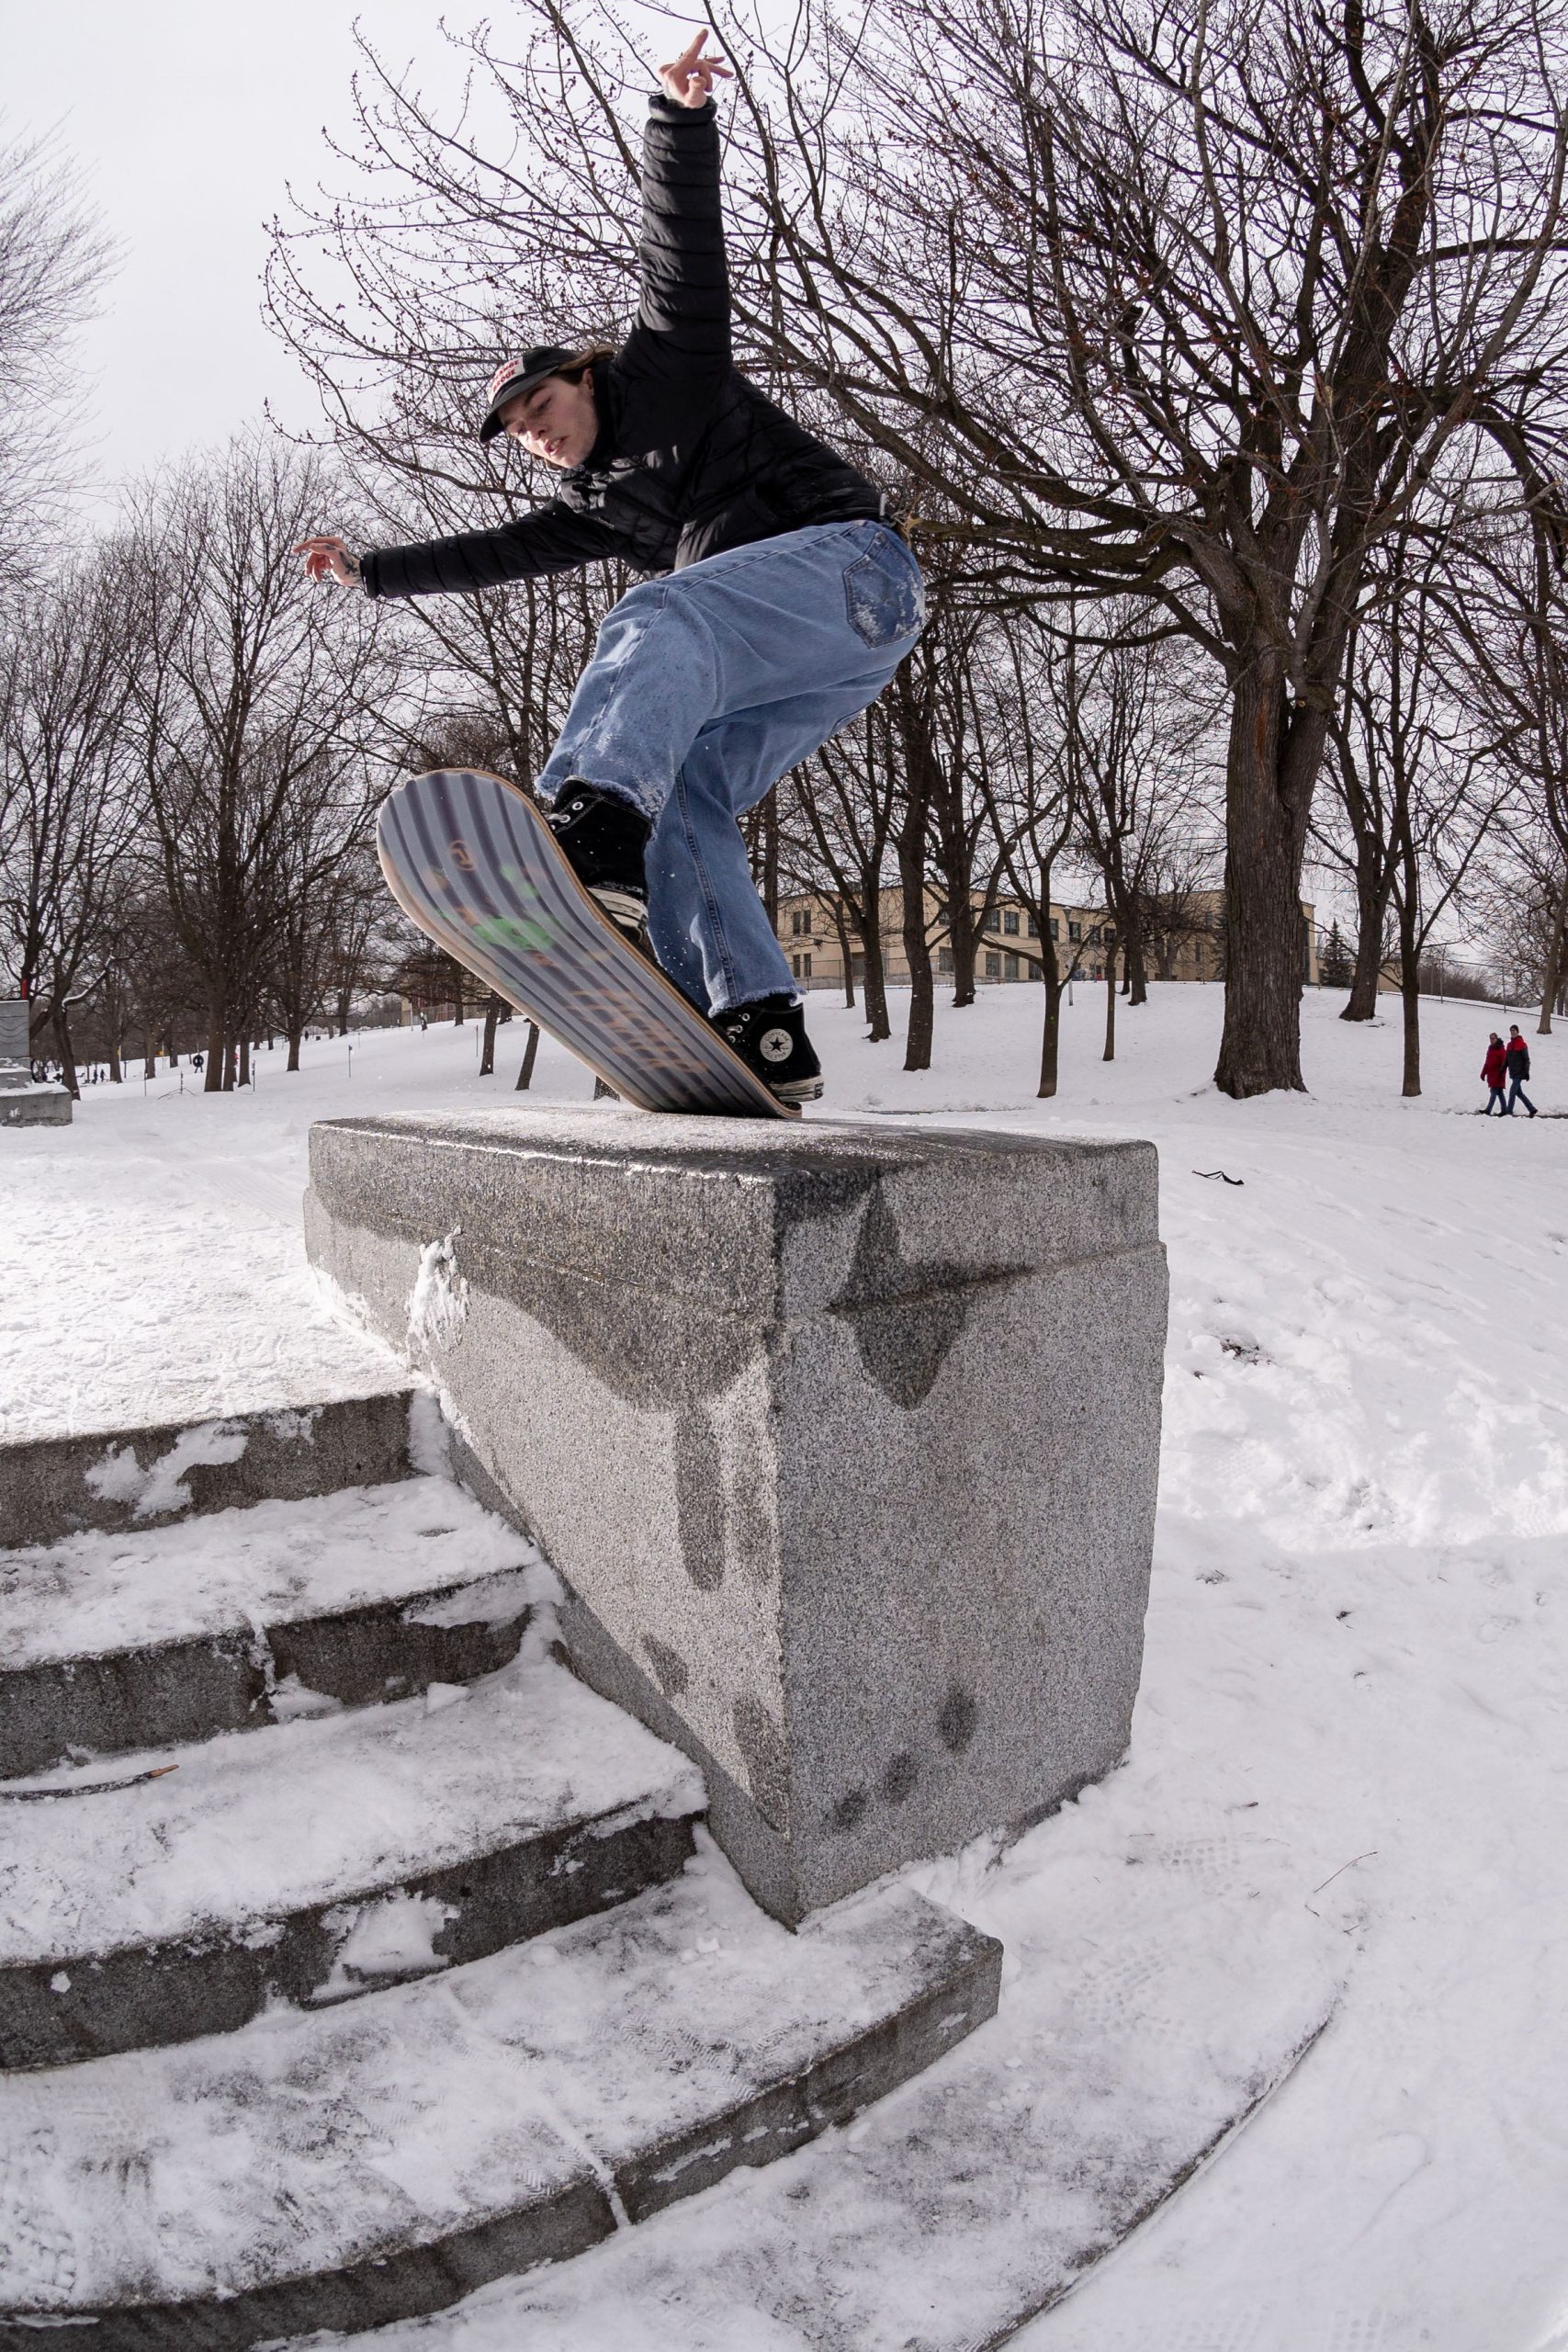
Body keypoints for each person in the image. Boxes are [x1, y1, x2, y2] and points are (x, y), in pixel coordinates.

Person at [295, 31, 924, 1107]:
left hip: (856, 568)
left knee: (659, 614)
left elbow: (683, 256)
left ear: (583, 380)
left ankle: (592, 829)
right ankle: (752, 1017)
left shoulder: (669, 370)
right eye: (521, 434)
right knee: (688, 796)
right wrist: (369, 572)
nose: (538, 435)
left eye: (542, 407)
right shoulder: (602, 509)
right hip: (827, 654)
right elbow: (494, 553)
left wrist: (679, 121)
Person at [1505, 1024, 1539, 1117]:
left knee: (1512, 1092)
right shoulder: (1509, 1045)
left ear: (1517, 1031)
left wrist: (1526, 1073)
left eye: (1514, 1030)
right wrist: (1502, 1070)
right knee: (1519, 1093)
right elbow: (1506, 1060)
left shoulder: (1522, 1044)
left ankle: (1509, 1111)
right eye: (1511, 1030)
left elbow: (1527, 1060)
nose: (1512, 1032)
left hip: (1519, 1073)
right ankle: (1532, 1109)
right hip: (1513, 1073)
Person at [1482, 1033, 1508, 1114]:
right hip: (1491, 1075)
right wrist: (1483, 1073)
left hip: (1498, 1075)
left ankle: (1488, 1110)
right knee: (1499, 1093)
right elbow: (1487, 1062)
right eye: (1490, 1039)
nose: (1491, 1040)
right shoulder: (1490, 1049)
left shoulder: (1501, 1050)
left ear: (1497, 1039)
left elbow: (1504, 1063)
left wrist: (1501, 1074)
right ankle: (1504, 1110)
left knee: (1493, 1092)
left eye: (1493, 1038)